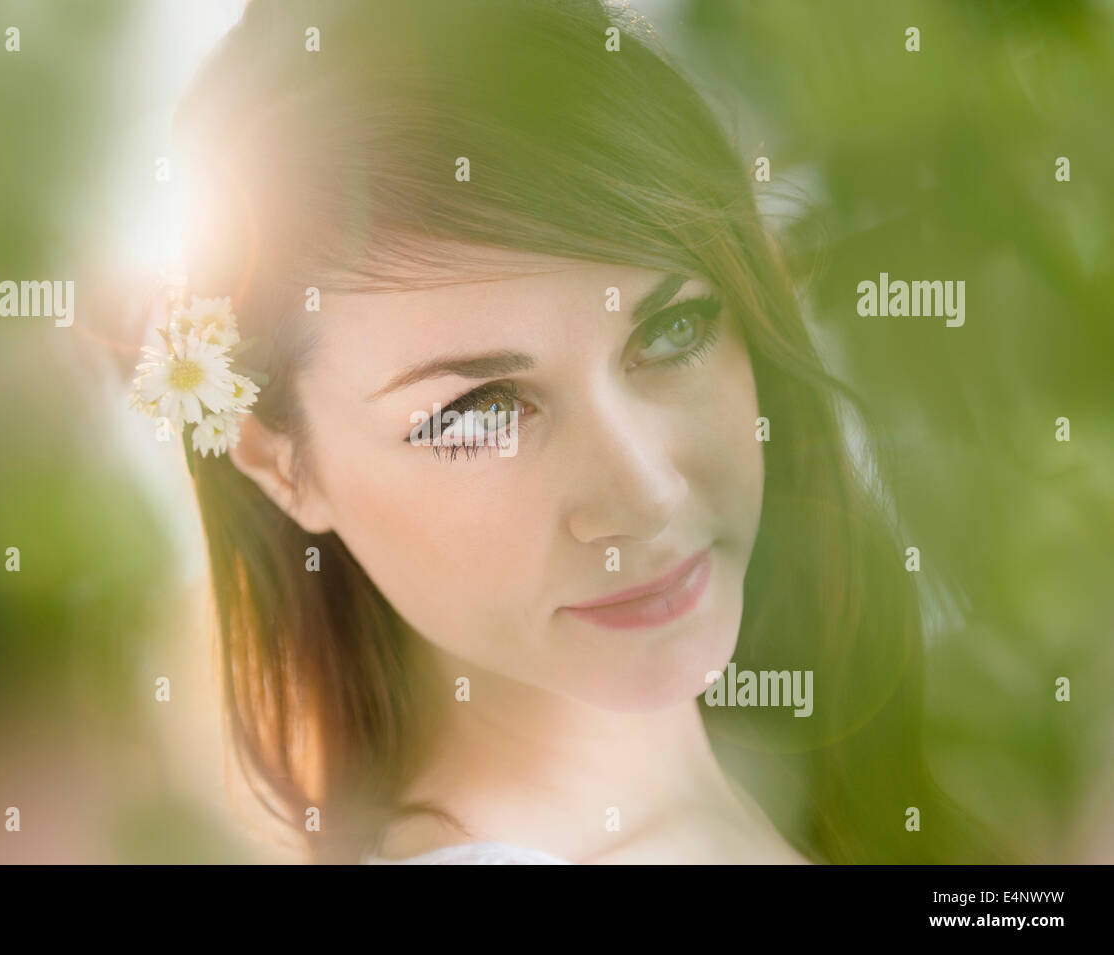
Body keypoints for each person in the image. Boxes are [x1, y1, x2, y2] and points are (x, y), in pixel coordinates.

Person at [155, 0, 1011, 864]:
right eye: (481, 411)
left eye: (671, 333)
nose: (647, 492)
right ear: (278, 460)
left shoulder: (904, 744)